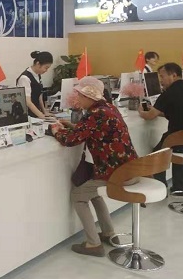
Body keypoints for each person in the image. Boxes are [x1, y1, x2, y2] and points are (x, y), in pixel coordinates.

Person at [51, 77, 138, 257]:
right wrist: (73, 126)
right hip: (128, 168)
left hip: (115, 172)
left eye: (80, 95)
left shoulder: (95, 114)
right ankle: (108, 233)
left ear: (88, 96)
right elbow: (92, 130)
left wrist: (56, 131)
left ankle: (93, 244)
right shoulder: (108, 108)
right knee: (93, 192)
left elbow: (70, 140)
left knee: (78, 195)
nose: (77, 99)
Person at [138, 63, 183, 193]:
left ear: (173, 75)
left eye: (162, 77)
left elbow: (150, 116)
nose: (160, 81)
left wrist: (140, 111)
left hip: (181, 141)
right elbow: (179, 112)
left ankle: (160, 188)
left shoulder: (168, 94)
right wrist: (159, 111)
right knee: (174, 142)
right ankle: (179, 187)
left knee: (158, 152)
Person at [16, 51, 53, 118]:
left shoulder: (37, 75)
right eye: (46, 68)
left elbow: (39, 95)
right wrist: (41, 116)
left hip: (36, 114)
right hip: (28, 115)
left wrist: (44, 112)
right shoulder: (24, 78)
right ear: (38, 64)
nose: (46, 70)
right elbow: (28, 102)